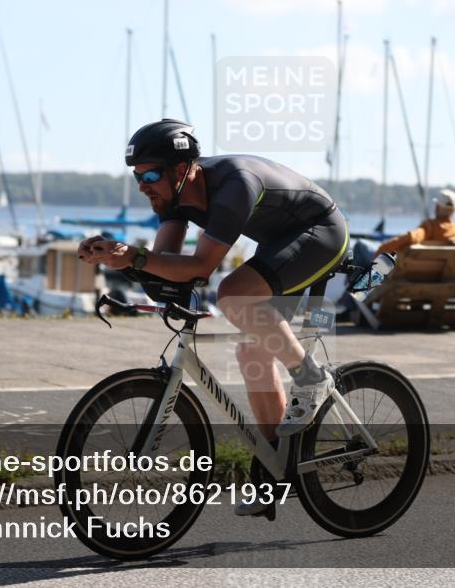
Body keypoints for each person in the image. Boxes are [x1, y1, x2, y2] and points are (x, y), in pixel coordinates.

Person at [78, 120, 349, 512]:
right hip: (280, 245)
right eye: (137, 177)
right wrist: (119, 259)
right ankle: (278, 466)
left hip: (321, 233)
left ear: (183, 169)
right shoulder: (172, 198)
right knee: (251, 356)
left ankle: (312, 378)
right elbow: (166, 267)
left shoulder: (233, 185)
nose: (143, 185)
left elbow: (200, 267)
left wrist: (136, 257)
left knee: (232, 294)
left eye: (151, 174)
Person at [375, 188, 455, 255]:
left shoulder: (431, 226)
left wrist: (382, 249)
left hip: (418, 272)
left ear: (437, 207)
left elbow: (412, 237)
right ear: (454, 210)